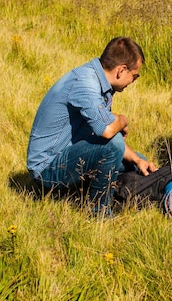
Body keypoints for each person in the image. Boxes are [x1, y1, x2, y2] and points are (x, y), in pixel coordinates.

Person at [26, 37, 156, 216]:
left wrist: (137, 160)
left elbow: (107, 132)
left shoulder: (99, 81)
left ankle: (123, 193)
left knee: (137, 163)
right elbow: (108, 131)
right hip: (47, 168)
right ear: (121, 70)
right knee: (113, 146)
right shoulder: (86, 84)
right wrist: (123, 120)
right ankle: (99, 212)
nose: (133, 81)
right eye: (135, 76)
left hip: (70, 154)